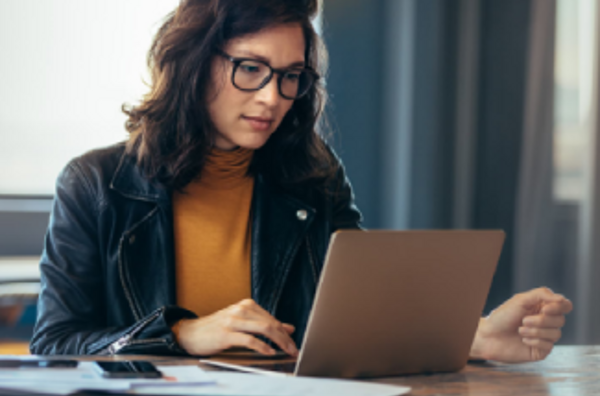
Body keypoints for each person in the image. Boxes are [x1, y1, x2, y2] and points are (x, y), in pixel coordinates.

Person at [30, 0, 572, 363]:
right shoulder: (95, 184)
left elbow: (362, 316)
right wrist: (179, 335)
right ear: (193, 63)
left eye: (291, 76)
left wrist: (474, 336)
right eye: (250, 68)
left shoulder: (313, 176)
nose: (272, 97)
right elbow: (55, 345)